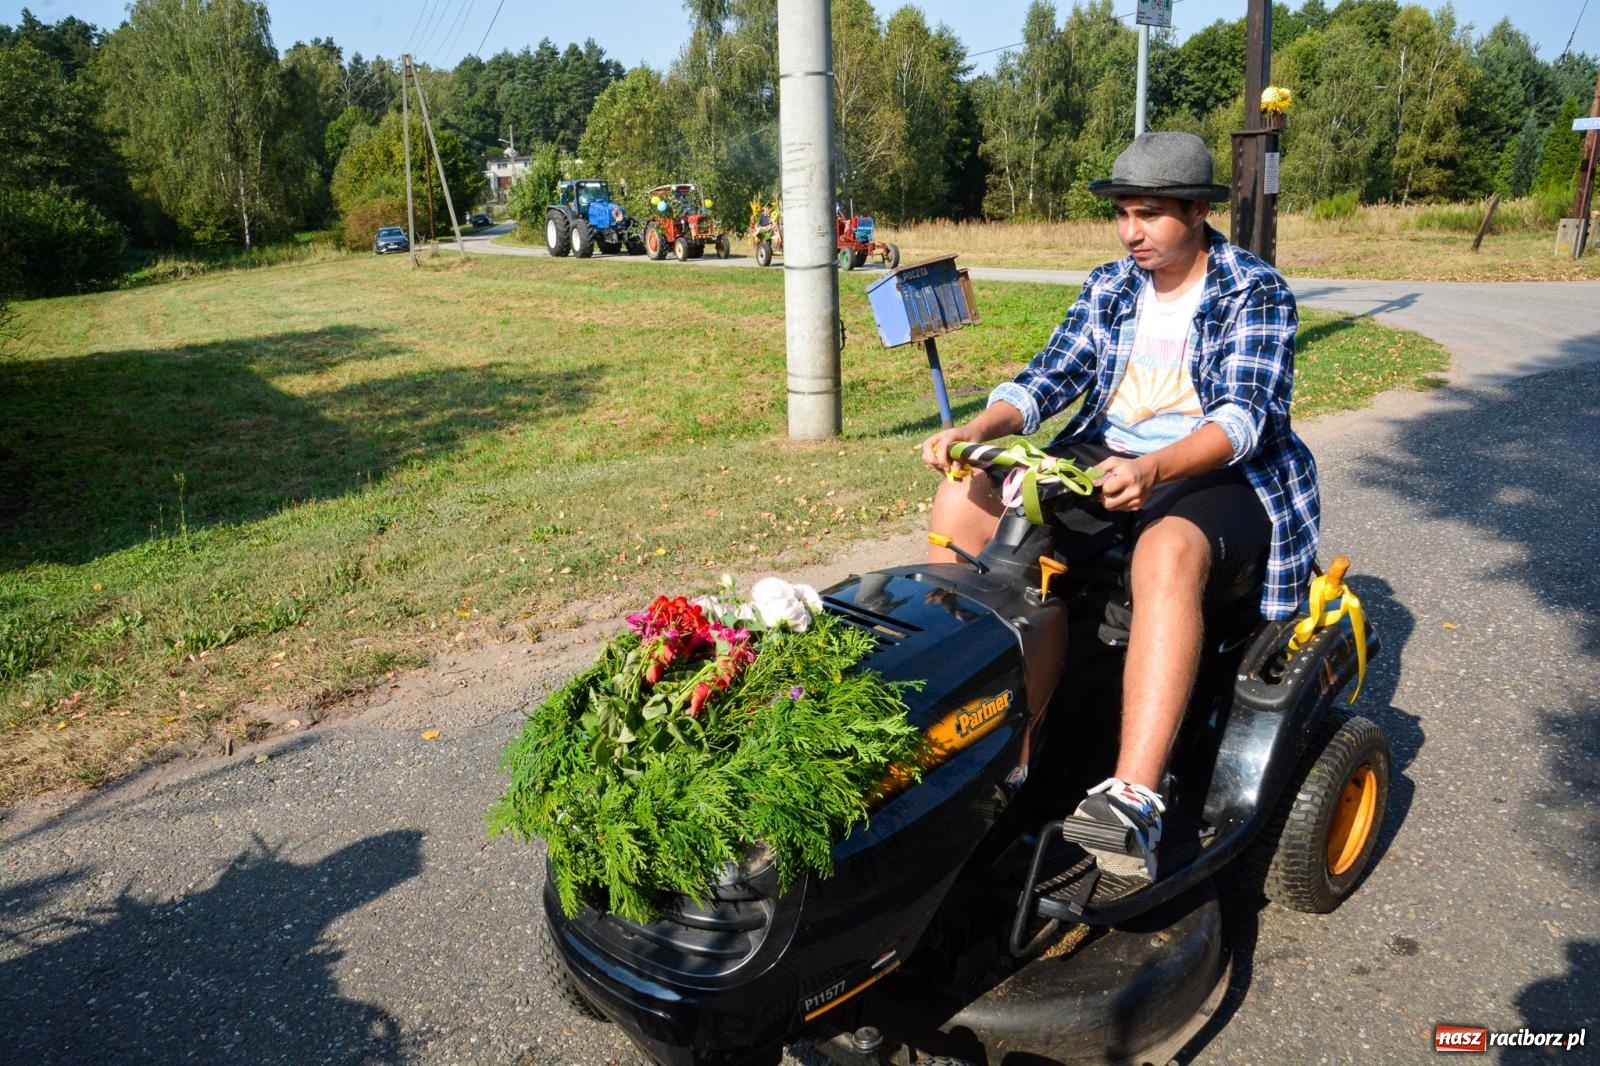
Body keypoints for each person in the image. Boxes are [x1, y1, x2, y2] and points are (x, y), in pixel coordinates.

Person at [919, 132, 1319, 883]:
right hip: (1111, 455)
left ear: (1198, 212)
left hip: (1219, 472)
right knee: (962, 498)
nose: (1131, 231)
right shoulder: (1110, 285)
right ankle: (999, 743)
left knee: (1163, 552)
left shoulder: (1253, 290)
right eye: (1124, 213)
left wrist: (1154, 466)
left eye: (1150, 215)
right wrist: (978, 429)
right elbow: (1046, 378)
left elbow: (1244, 422)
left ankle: (1133, 798)